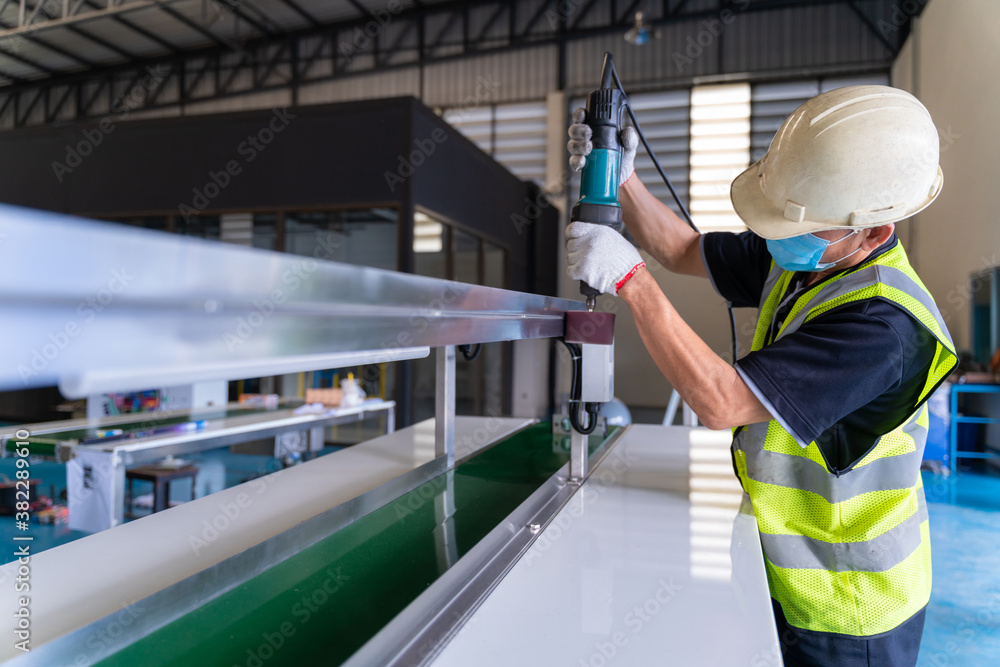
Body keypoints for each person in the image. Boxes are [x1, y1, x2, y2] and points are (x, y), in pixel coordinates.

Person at [565, 85, 957, 667]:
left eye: (799, 222)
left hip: (849, 599)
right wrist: (619, 178)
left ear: (875, 231)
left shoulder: (886, 327)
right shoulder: (810, 250)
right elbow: (683, 249)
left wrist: (630, 281)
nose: (777, 234)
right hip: (785, 562)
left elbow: (722, 403)